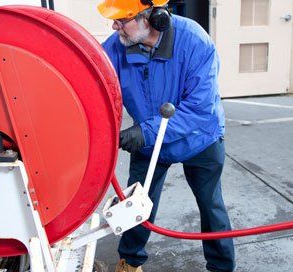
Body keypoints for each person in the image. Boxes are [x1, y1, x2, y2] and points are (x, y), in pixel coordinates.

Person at [98, 0, 235, 271]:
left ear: (152, 18)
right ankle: (130, 261)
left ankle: (221, 267)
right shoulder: (116, 47)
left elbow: (200, 109)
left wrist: (143, 132)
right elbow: (92, 83)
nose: (115, 26)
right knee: (135, 205)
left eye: (122, 20)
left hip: (199, 139)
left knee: (211, 206)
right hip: (151, 145)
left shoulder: (194, 41)